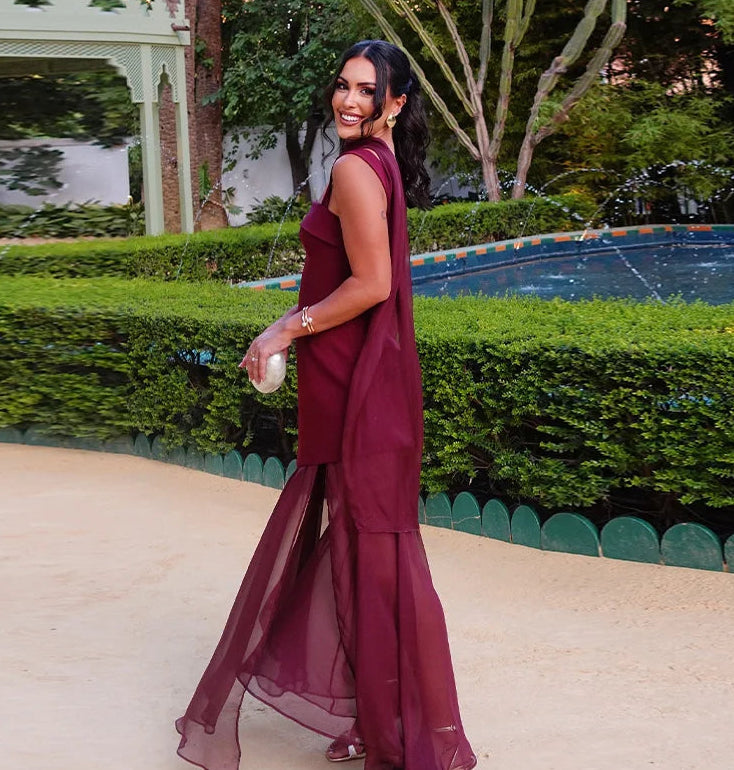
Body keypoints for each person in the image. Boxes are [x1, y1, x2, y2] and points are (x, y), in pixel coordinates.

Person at [175, 40, 477, 770]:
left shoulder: (353, 168)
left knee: (374, 557)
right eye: (342, 86)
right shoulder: (376, 166)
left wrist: (283, 324)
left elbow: (371, 284)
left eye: (366, 91)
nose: (347, 100)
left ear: (395, 104)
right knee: (360, 550)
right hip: (361, 381)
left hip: (356, 389)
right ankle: (377, 717)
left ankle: (401, 731)